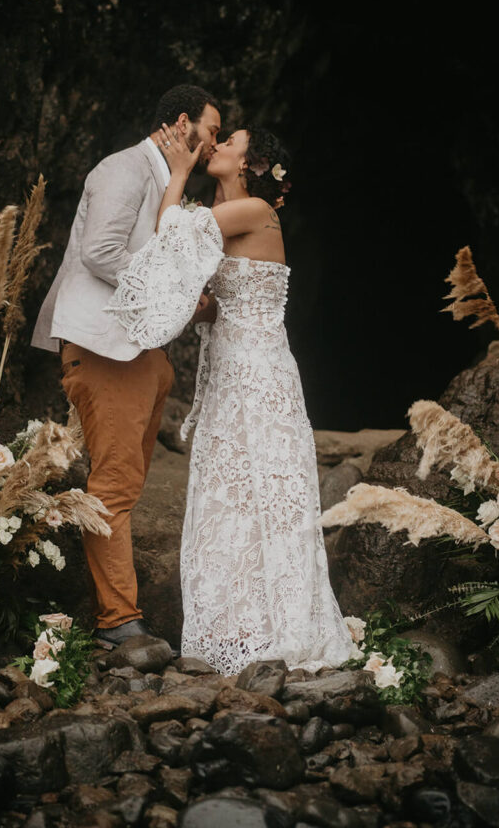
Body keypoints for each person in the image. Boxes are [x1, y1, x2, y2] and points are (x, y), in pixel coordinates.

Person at [106, 122, 361, 674]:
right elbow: (210, 289)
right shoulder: (231, 220)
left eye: (230, 143)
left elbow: (170, 236)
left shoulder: (253, 212)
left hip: (258, 375)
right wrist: (203, 309)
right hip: (228, 375)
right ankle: (237, 631)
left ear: (251, 165)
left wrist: (175, 174)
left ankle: (282, 631)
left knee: (264, 494)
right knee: (230, 497)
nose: (215, 147)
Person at [31, 85, 221, 649]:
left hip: (141, 356)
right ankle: (119, 623)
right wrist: (178, 294)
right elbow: (100, 252)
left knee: (127, 486)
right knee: (113, 487)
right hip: (105, 351)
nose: (212, 143)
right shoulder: (123, 168)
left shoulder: (167, 185)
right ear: (182, 124)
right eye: (211, 129)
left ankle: (120, 614)